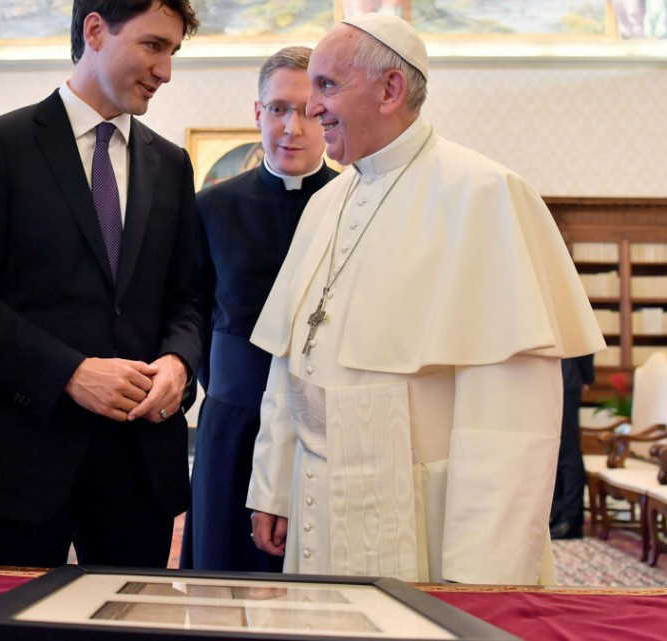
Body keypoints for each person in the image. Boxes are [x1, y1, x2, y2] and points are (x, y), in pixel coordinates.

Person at [246, 13, 605, 584]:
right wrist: (273, 486)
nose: (312, 107)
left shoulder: (484, 194)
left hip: (426, 519)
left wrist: (487, 575)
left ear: (390, 89)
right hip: (319, 502)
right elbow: (291, 360)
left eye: (327, 85)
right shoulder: (325, 203)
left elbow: (511, 420)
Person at [0, 0, 203, 568]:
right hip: (22, 459)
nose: (166, 71)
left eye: (173, 52)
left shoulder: (172, 164)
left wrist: (179, 363)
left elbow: (190, 299)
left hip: (139, 466)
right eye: (153, 45)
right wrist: (70, 374)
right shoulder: (1, 143)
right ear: (95, 31)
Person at [182, 46, 336, 572]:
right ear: (257, 113)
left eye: (307, 111)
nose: (291, 127)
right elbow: (194, 312)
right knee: (223, 575)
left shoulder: (351, 203)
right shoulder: (211, 206)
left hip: (323, 424)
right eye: (277, 109)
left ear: (326, 115)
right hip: (234, 417)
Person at [550, 354, 595, 540]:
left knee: (568, 453)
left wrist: (585, 376)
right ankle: (557, 515)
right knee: (555, 453)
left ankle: (571, 520)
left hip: (566, 378)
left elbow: (583, 343)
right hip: (547, 380)